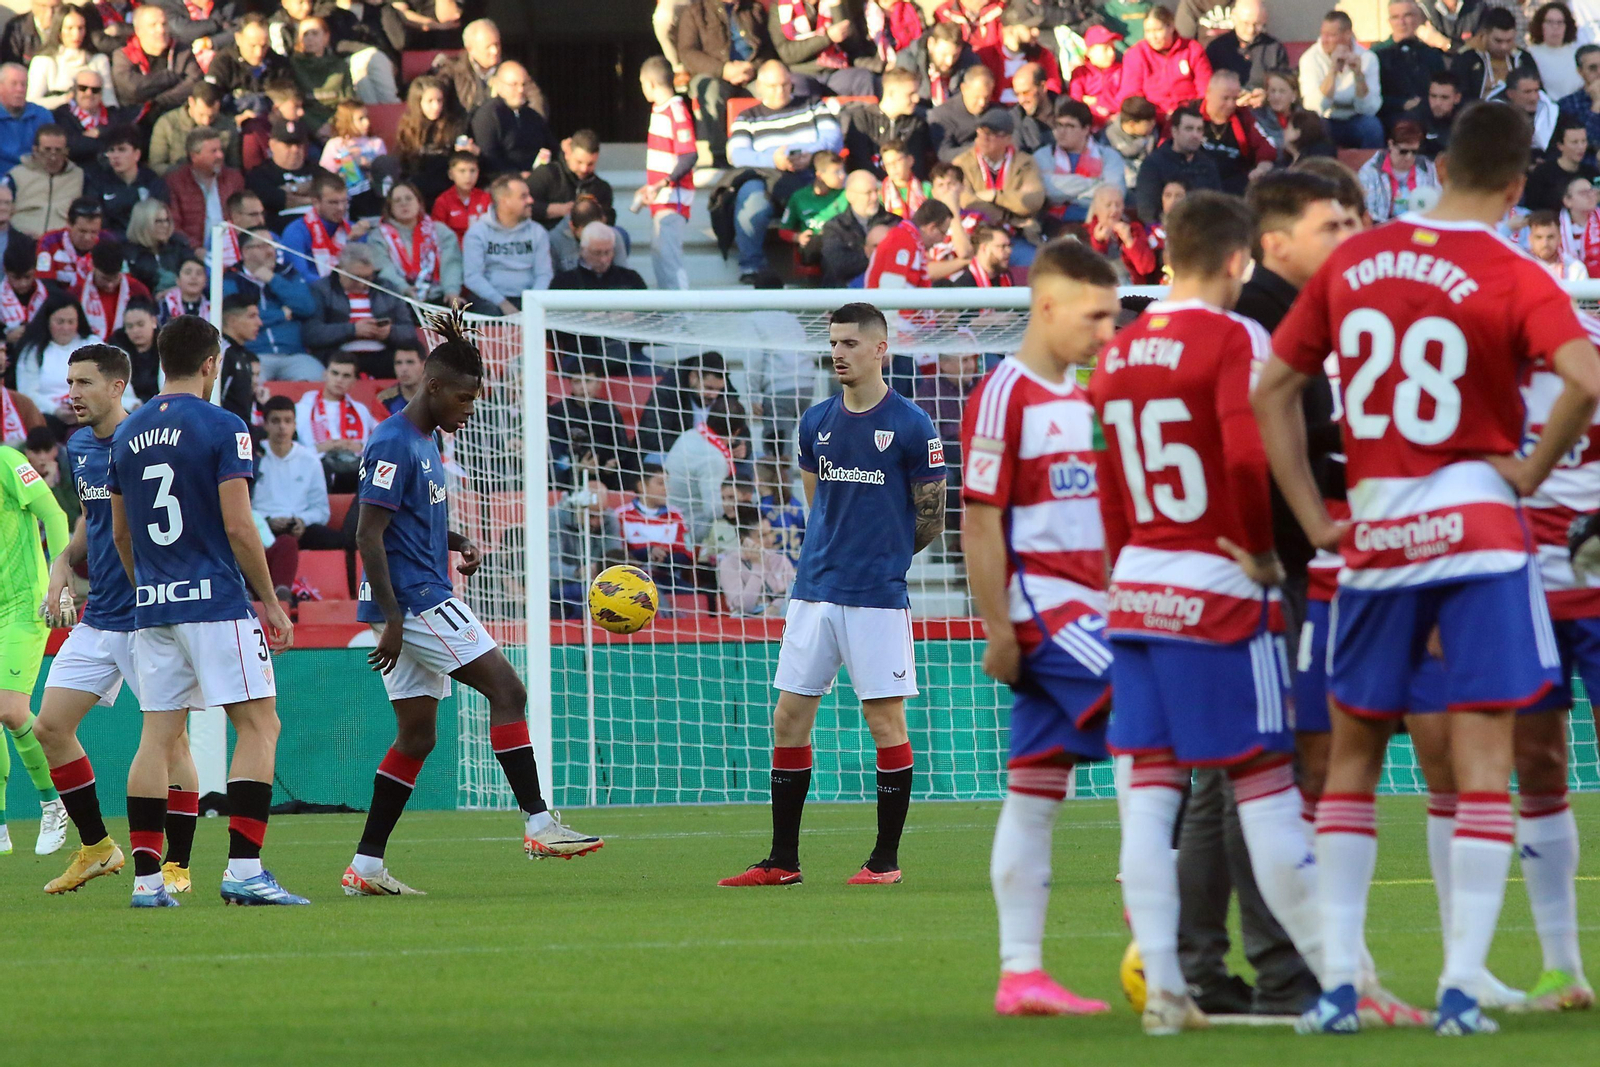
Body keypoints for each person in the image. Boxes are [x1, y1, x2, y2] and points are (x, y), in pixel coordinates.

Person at [1257, 101, 1600, 1034]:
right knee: (1483, 758)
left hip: (1376, 535)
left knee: (1353, 758)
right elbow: (1584, 378)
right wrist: (1528, 470)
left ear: (1439, 168)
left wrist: (1312, 519)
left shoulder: (1355, 261)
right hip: (1479, 535)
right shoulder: (1514, 268)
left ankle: (1338, 988)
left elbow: (1272, 388)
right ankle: (1459, 987)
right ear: (1518, 185)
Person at [1089, 192, 1323, 1036]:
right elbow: (1248, 455)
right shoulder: (1234, 337)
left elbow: (1109, 482)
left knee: (1154, 799)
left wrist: (1126, 565)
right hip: (1217, 588)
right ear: (1236, 260)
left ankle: (1168, 990)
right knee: (1264, 787)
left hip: (1138, 588)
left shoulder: (1117, 351)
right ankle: (1337, 980)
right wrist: (1258, 550)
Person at [345, 310, 602, 890]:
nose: (469, 410)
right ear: (433, 386)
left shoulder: (426, 440)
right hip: (415, 601)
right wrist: (393, 619)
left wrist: (458, 540)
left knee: (417, 736)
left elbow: (408, 522)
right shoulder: (392, 442)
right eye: (463, 399)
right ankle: (539, 822)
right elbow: (367, 534)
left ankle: (366, 865)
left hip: (414, 594)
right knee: (509, 692)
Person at [717, 301, 944, 888]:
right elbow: (817, 500)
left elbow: (932, 517)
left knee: (884, 721)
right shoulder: (815, 421)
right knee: (788, 717)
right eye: (833, 343)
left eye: (849, 343)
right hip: (812, 591)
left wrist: (883, 557)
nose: (838, 353)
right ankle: (782, 861)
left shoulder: (913, 425)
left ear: (880, 349)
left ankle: (884, 861)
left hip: (875, 597)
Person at [950, 237, 1117, 1016]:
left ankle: (1021, 973)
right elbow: (981, 520)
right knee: (1159, 717)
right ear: (1048, 306)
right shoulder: (1004, 394)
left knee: (1036, 788)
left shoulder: (1087, 399)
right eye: (1095, 317)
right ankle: (1157, 915)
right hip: (1049, 609)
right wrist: (999, 627)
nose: (1106, 333)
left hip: (1093, 603)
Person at [106, 315, 305, 906]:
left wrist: (149, 589)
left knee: (157, 737)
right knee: (260, 725)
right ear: (212, 363)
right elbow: (240, 526)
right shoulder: (224, 425)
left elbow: (121, 534)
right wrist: (271, 601)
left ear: (160, 360)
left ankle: (147, 883)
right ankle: (244, 871)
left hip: (153, 606)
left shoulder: (126, 431)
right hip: (215, 602)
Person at [34, 343, 201, 888]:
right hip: (99, 614)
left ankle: (177, 864)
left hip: (149, 618)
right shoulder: (80, 444)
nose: (72, 393)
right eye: (69, 382)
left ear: (116, 386)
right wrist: (63, 561)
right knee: (50, 727)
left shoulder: (148, 441)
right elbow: (93, 516)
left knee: (171, 743)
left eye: (83, 382)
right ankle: (98, 848)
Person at [0, 410, 70, 858]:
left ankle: (53, 801)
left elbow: (54, 514)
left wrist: (58, 585)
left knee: (10, 710)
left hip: (24, 605)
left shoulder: (7, 461)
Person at [726, 60, 845, 282]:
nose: (780, 91)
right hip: (768, 177)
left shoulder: (812, 104)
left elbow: (834, 138)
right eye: (773, 86)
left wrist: (811, 154)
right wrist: (773, 160)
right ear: (759, 87)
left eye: (785, 85)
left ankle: (838, 260)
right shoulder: (747, 116)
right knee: (750, 198)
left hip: (811, 173)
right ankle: (751, 266)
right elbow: (737, 155)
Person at [253, 393, 343, 593]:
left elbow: (321, 510)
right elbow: (245, 505)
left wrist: (302, 520)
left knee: (339, 540)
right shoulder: (254, 459)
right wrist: (267, 520)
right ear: (265, 424)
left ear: (295, 424)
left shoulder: (310, 460)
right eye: (275, 421)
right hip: (263, 527)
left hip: (299, 526)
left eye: (288, 421)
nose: (282, 427)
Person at [676, 0, 776, 165]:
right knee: (711, 92)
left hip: (751, 73)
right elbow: (687, 53)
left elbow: (769, 48)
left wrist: (752, 68)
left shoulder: (754, 9)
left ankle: (767, 150)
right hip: (712, 73)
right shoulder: (695, 12)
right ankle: (720, 154)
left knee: (771, 90)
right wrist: (723, 69)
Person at [303, 242, 419, 378]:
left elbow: (409, 331)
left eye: (368, 278)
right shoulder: (322, 289)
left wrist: (389, 332)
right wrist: (353, 330)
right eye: (355, 278)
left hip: (383, 353)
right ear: (340, 270)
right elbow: (312, 333)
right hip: (339, 354)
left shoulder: (387, 288)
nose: (362, 284)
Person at [954, 109, 1044, 259]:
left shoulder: (1025, 163)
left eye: (991, 134)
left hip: (1018, 236)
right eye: (981, 132)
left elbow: (1033, 199)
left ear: (1008, 138)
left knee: (1030, 259)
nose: (984, 138)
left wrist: (995, 196)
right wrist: (1007, 216)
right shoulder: (962, 163)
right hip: (979, 235)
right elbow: (966, 201)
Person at [639, 56, 696, 291]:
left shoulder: (676, 110)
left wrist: (662, 183)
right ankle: (670, 309)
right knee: (660, 255)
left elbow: (689, 155)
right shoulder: (660, 109)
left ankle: (680, 311)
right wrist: (651, 187)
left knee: (669, 259)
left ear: (650, 83)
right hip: (662, 198)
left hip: (674, 198)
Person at [462, 173, 549, 315]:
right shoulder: (478, 233)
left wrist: (532, 304)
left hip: (529, 299)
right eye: (523, 196)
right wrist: (502, 303)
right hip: (490, 300)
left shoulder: (538, 232)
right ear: (504, 202)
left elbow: (544, 274)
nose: (531, 200)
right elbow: (472, 277)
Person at [665, 395, 747, 545]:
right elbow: (713, 510)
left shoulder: (689, 435)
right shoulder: (714, 459)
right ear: (737, 432)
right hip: (690, 528)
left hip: (669, 519)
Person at [14, 290, 101, 430]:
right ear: (48, 321)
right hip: (49, 418)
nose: (66, 328)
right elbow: (27, 394)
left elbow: (111, 379)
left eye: (71, 322)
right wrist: (55, 410)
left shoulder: (93, 345)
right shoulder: (32, 352)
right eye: (60, 322)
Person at [1298, 10, 1382, 149]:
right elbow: (1313, 107)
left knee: (1372, 127)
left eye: (1331, 35)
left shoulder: (1368, 58)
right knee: (1312, 128)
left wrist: (1358, 75)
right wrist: (1332, 71)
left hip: (1356, 119)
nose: (1324, 40)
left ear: (1347, 35)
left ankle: (1373, 163)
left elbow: (1370, 109)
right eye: (1323, 34)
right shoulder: (1310, 58)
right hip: (1326, 119)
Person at [368, 180, 460, 306]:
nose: (404, 203)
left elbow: (451, 264)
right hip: (398, 298)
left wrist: (451, 290)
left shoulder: (440, 231)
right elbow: (384, 269)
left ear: (419, 203)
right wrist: (404, 289)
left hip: (438, 297)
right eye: (397, 200)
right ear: (390, 208)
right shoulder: (379, 236)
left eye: (409, 198)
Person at [110, 6, 200, 131]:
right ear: (138, 30)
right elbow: (132, 88)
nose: (161, 30)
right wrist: (170, 77)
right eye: (153, 25)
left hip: (175, 117)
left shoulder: (182, 50)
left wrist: (159, 102)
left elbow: (194, 83)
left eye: (164, 24)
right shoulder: (123, 55)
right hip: (135, 122)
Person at [295, 353, 376, 491]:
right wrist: (321, 448)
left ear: (354, 381)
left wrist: (358, 446)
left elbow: (377, 443)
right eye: (335, 373)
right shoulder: (302, 408)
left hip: (354, 465)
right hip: (316, 465)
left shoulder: (361, 410)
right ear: (325, 375)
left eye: (346, 376)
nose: (339, 380)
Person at [548, 359, 632, 491]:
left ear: (599, 383)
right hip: (570, 471)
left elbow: (621, 446)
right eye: (577, 382)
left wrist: (613, 463)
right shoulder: (558, 411)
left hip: (605, 472)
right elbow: (556, 450)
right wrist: (577, 466)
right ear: (570, 384)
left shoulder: (609, 410)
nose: (583, 387)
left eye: (588, 381)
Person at [768, 0, 880, 98]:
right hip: (802, 73)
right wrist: (827, 38)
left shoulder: (835, 4)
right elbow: (787, 53)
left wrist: (837, 7)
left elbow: (851, 45)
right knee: (799, 88)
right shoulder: (780, 7)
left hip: (835, 70)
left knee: (863, 78)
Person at [1134, 103, 1221, 224]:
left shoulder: (1208, 165)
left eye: (1199, 130)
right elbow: (1147, 212)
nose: (1195, 135)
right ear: (1174, 131)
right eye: (1189, 129)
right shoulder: (1153, 164)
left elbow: (1217, 207)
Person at [1121, 5, 1212, 121]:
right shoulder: (1136, 54)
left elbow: (1205, 88)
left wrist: (1192, 113)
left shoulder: (1192, 49)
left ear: (1171, 26)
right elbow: (1132, 95)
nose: (1153, 37)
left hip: (1189, 116)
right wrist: (1156, 116)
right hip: (1151, 119)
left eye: (1158, 30)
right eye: (1148, 31)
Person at [1035, 100, 1118, 226]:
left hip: (1096, 222)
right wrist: (1094, 184)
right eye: (1059, 125)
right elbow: (1049, 190)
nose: (1062, 131)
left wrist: (1066, 191)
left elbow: (1113, 195)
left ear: (1086, 129)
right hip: (1052, 223)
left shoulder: (1108, 156)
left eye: (1070, 126)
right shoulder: (1043, 155)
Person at [281, 171, 371, 284]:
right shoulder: (296, 231)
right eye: (333, 202)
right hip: (314, 292)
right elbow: (300, 277)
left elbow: (365, 274)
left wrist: (353, 243)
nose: (341, 208)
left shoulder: (354, 230)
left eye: (344, 201)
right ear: (316, 202)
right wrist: (337, 285)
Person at [840, 67, 931, 179]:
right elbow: (860, 162)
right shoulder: (862, 118)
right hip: (872, 185)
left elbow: (916, 165)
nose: (916, 99)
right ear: (891, 93)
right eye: (911, 94)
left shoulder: (916, 124)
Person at [471, 62, 555, 181]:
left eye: (524, 84)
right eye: (513, 85)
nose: (520, 90)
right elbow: (489, 157)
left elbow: (551, 146)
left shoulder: (532, 115)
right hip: (501, 182)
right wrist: (516, 175)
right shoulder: (488, 115)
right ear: (499, 85)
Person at [636, 351, 727, 459]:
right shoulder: (666, 392)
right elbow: (654, 439)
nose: (714, 395)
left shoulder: (726, 394)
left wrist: (740, 445)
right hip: (673, 455)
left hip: (711, 456)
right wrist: (697, 448)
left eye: (719, 389)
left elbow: (739, 428)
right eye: (709, 388)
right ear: (693, 377)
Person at [390, 75, 464, 206]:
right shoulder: (408, 128)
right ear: (418, 102)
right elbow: (404, 163)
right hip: (418, 192)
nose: (436, 106)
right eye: (430, 101)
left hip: (447, 190)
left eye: (439, 100)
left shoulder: (453, 125)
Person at [165, 128, 245, 249]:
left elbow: (244, 217)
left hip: (232, 249)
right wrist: (195, 249)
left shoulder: (233, 179)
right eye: (213, 151)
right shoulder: (175, 183)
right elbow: (173, 225)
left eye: (221, 150)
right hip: (191, 252)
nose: (220, 155)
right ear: (194, 156)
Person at [27, 6, 117, 112]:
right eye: (69, 28)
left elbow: (109, 100)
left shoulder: (99, 60)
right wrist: (65, 99)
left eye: (80, 28)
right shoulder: (43, 61)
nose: (76, 34)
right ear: (59, 30)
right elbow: (32, 102)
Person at [205, 12, 291, 122]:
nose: (258, 53)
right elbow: (210, 101)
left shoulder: (279, 64)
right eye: (252, 45)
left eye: (263, 46)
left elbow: (289, 99)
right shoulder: (223, 63)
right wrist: (232, 120)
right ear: (238, 39)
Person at [1373, 1, 1446, 128]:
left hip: (1430, 116)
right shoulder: (1376, 55)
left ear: (1418, 19)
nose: (1402, 22)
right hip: (1390, 118)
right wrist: (1402, 103)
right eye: (1396, 17)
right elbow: (1371, 98)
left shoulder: (1432, 54)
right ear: (1389, 21)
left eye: (1407, 15)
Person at [818, 168, 894, 286]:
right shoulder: (835, 227)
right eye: (868, 193)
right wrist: (878, 255)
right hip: (845, 291)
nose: (875, 197)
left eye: (876, 191)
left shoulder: (894, 222)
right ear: (850, 196)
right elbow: (838, 264)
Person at [84, 126, 166, 235]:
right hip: (111, 242)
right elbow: (97, 221)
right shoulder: (98, 183)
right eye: (111, 150)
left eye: (122, 150)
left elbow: (159, 217)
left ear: (137, 154)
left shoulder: (152, 181)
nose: (115, 156)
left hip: (146, 239)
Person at [1356, 118, 1438, 224]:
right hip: (1384, 228)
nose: (1409, 157)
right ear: (1391, 144)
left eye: (1414, 152)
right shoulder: (1370, 172)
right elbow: (1367, 212)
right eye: (1403, 151)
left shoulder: (1428, 169)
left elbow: (1437, 202)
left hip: (1420, 226)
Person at [529, 129, 614, 230]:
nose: (584, 169)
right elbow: (525, 207)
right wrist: (560, 210)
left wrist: (594, 213)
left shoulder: (602, 187)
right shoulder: (546, 173)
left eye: (590, 164)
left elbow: (610, 218)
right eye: (579, 162)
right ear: (568, 154)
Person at [244, 115, 317, 232]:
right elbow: (275, 200)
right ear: (272, 145)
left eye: (299, 144)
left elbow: (331, 197)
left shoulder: (318, 171)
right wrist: (312, 196)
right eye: (288, 145)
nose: (295, 150)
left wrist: (289, 189)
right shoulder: (259, 175)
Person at [8, 123, 82, 237]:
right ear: (35, 150)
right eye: (47, 150)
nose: (53, 157)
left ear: (66, 152)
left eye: (58, 150)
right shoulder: (16, 175)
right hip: (22, 238)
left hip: (61, 241)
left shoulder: (79, 177)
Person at [316, 99, 384, 219]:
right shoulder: (335, 145)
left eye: (367, 117)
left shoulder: (376, 143)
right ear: (347, 121)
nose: (367, 122)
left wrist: (367, 163)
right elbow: (325, 175)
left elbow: (385, 172)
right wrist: (345, 162)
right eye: (360, 119)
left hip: (373, 197)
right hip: (346, 198)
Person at [148, 80, 234, 176]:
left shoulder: (227, 126)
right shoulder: (167, 124)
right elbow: (156, 166)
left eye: (212, 116)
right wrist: (190, 171)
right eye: (201, 114)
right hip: (177, 180)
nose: (206, 121)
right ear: (191, 102)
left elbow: (234, 167)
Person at [1452, 6, 1536, 101]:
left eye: (1509, 40)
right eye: (1498, 41)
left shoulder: (1523, 58)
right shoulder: (1466, 59)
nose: (1504, 47)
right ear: (1485, 34)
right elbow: (1459, 98)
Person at [976, 13, 1061, 107]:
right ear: (1010, 30)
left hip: (1033, 109)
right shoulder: (986, 55)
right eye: (1029, 27)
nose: (1036, 32)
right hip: (996, 110)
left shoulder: (1043, 55)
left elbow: (1053, 87)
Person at [72, 238, 149, 338]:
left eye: (115, 278)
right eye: (104, 279)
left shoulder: (137, 291)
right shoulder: (78, 292)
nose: (110, 285)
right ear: (92, 267)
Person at [1205, 0, 1287, 93]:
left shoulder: (1274, 49)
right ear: (1234, 17)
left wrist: (1265, 96)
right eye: (1246, 23)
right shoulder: (1216, 48)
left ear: (1264, 20)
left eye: (1257, 24)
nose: (1250, 30)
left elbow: (1283, 87)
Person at [896, 18, 981, 107]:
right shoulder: (908, 61)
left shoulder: (970, 61)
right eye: (944, 54)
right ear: (931, 44)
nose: (949, 61)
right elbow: (902, 102)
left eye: (955, 55)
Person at [1080, 185, 1157, 283]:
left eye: (1118, 205)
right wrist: (1098, 242)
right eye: (1108, 205)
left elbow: (1146, 268)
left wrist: (1129, 241)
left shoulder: (1134, 229)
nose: (1114, 210)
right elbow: (1087, 270)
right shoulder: (1083, 232)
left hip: (1132, 288)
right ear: (1096, 208)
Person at [288, 17, 351, 133]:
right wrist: (316, 126)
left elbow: (348, 102)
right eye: (305, 34)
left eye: (315, 33)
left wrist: (336, 126)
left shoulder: (340, 66)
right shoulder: (292, 66)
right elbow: (293, 105)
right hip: (306, 127)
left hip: (338, 126)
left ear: (326, 37)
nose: (310, 38)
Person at [550, 222, 648, 296]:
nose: (603, 260)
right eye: (597, 253)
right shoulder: (563, 283)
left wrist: (631, 314)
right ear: (583, 251)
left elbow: (650, 314)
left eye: (607, 252)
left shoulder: (631, 280)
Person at [928, 62, 995, 163]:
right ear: (964, 89)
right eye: (977, 97)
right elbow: (945, 154)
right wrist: (979, 148)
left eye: (987, 97)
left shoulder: (995, 111)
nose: (982, 103)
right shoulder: (942, 115)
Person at [121, 198, 190, 294]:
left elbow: (194, 278)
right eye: (158, 221)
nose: (165, 225)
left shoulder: (179, 246)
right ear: (143, 223)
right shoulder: (129, 254)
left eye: (167, 220)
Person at [1526, 119, 1597, 211]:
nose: (1581, 147)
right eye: (1574, 142)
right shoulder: (1542, 173)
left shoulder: (1593, 173)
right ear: (1560, 146)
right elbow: (1531, 206)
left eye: (1583, 141)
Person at [1068, 25, 1125, 131]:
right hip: (1088, 126)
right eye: (1105, 49)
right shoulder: (1080, 73)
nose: (1111, 53)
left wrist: (1096, 100)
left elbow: (1123, 102)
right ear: (1090, 52)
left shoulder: (1121, 71)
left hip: (1117, 124)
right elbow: (1076, 103)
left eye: (1113, 48)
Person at [1497, 68, 1562, 156]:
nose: (1533, 98)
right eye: (1527, 92)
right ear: (1510, 94)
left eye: (1536, 91)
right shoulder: (1495, 115)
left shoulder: (1550, 112)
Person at [0, 61, 50, 174]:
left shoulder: (41, 115)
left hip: (35, 176)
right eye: (14, 84)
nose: (20, 89)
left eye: (24, 84)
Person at [430, 150, 490, 245]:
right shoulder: (443, 201)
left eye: (472, 171)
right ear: (451, 174)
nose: (468, 176)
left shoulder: (486, 198)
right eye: (462, 171)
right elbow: (438, 233)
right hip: (454, 250)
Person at [1529, 3, 1583, 102]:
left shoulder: (1577, 54)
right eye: (1549, 22)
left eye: (1560, 22)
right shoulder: (1530, 54)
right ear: (1541, 25)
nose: (1555, 27)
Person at [108, 295, 160, 401]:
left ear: (153, 321)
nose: (135, 331)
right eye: (130, 326)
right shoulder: (117, 348)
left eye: (140, 324)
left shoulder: (166, 345)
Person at [1406, 69, 1462, 158]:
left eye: (1444, 97)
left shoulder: (1465, 122)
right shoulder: (1415, 118)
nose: (1437, 103)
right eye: (1433, 96)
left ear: (1457, 98)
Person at [936, 221, 1012, 286]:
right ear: (984, 248)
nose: (1009, 251)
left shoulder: (1007, 278)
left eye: (1009, 246)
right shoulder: (963, 284)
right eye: (1002, 246)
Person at [1556, 42, 1600, 147]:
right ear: (1580, 71)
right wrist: (1597, 105)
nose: (1599, 72)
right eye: (1593, 68)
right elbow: (1584, 144)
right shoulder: (1567, 105)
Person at [1529, 208, 1590, 278]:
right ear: (1530, 239)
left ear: (1560, 238)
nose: (1545, 243)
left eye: (1550, 237)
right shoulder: (1521, 268)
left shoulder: (1576, 269)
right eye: (1539, 237)